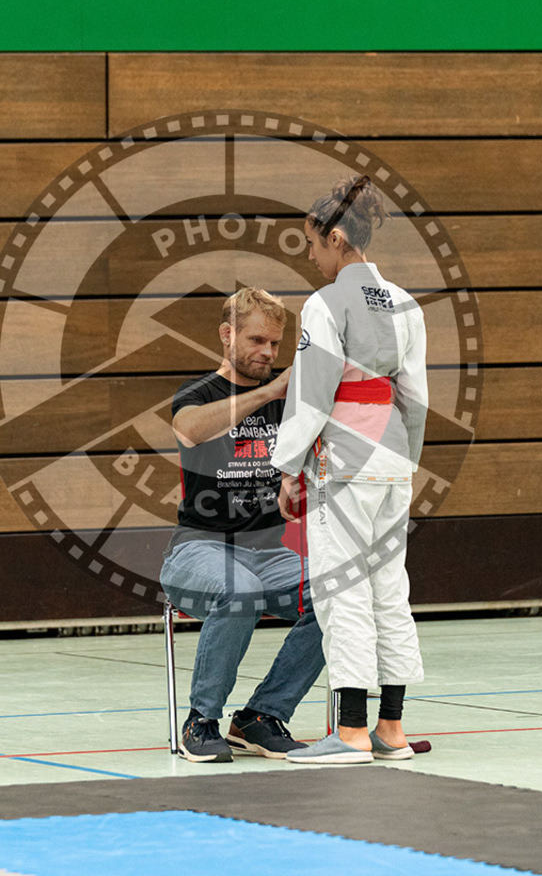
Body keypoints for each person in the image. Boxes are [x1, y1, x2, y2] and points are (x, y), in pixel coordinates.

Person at [271, 174, 428, 764]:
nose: (310, 257)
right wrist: (404, 462)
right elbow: (414, 396)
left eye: (313, 244)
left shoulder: (325, 303)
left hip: (342, 460)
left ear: (337, 238)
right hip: (392, 460)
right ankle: (392, 729)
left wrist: (287, 466)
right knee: (391, 588)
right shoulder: (407, 304)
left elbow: (312, 395)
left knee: (344, 591)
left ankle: (353, 732)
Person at [160, 286, 325, 763]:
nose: (268, 353)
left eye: (275, 344)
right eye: (256, 341)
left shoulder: (287, 404)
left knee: (338, 592)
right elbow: (189, 429)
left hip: (268, 552)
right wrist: (270, 391)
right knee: (241, 588)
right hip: (198, 551)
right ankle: (201, 721)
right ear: (227, 335)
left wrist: (301, 481)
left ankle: (262, 716)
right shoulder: (199, 393)